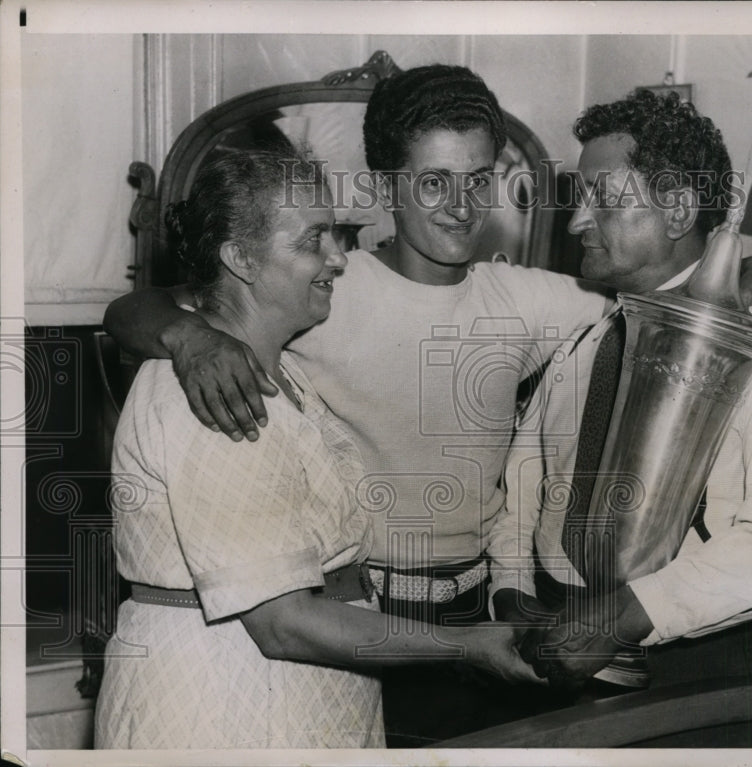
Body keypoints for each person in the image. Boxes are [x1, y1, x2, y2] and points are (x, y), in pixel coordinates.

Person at [103, 65, 752, 745]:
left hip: (485, 618)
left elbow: (670, 281)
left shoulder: (536, 301)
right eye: (434, 182)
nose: (461, 205)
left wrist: (751, 268)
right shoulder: (321, 287)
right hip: (355, 614)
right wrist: (186, 337)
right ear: (388, 184)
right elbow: (135, 308)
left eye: (478, 181)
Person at [94, 150, 537, 750]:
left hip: (299, 703)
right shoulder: (212, 394)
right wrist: (471, 645)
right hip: (225, 707)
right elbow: (281, 623)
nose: (338, 257)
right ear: (241, 259)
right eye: (312, 240)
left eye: (335, 233)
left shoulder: (283, 371)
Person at [489, 89, 752, 705]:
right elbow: (523, 488)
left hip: (712, 673)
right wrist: (514, 600)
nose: (575, 223)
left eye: (603, 201)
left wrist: (624, 617)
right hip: (568, 655)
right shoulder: (587, 338)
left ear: (678, 209)